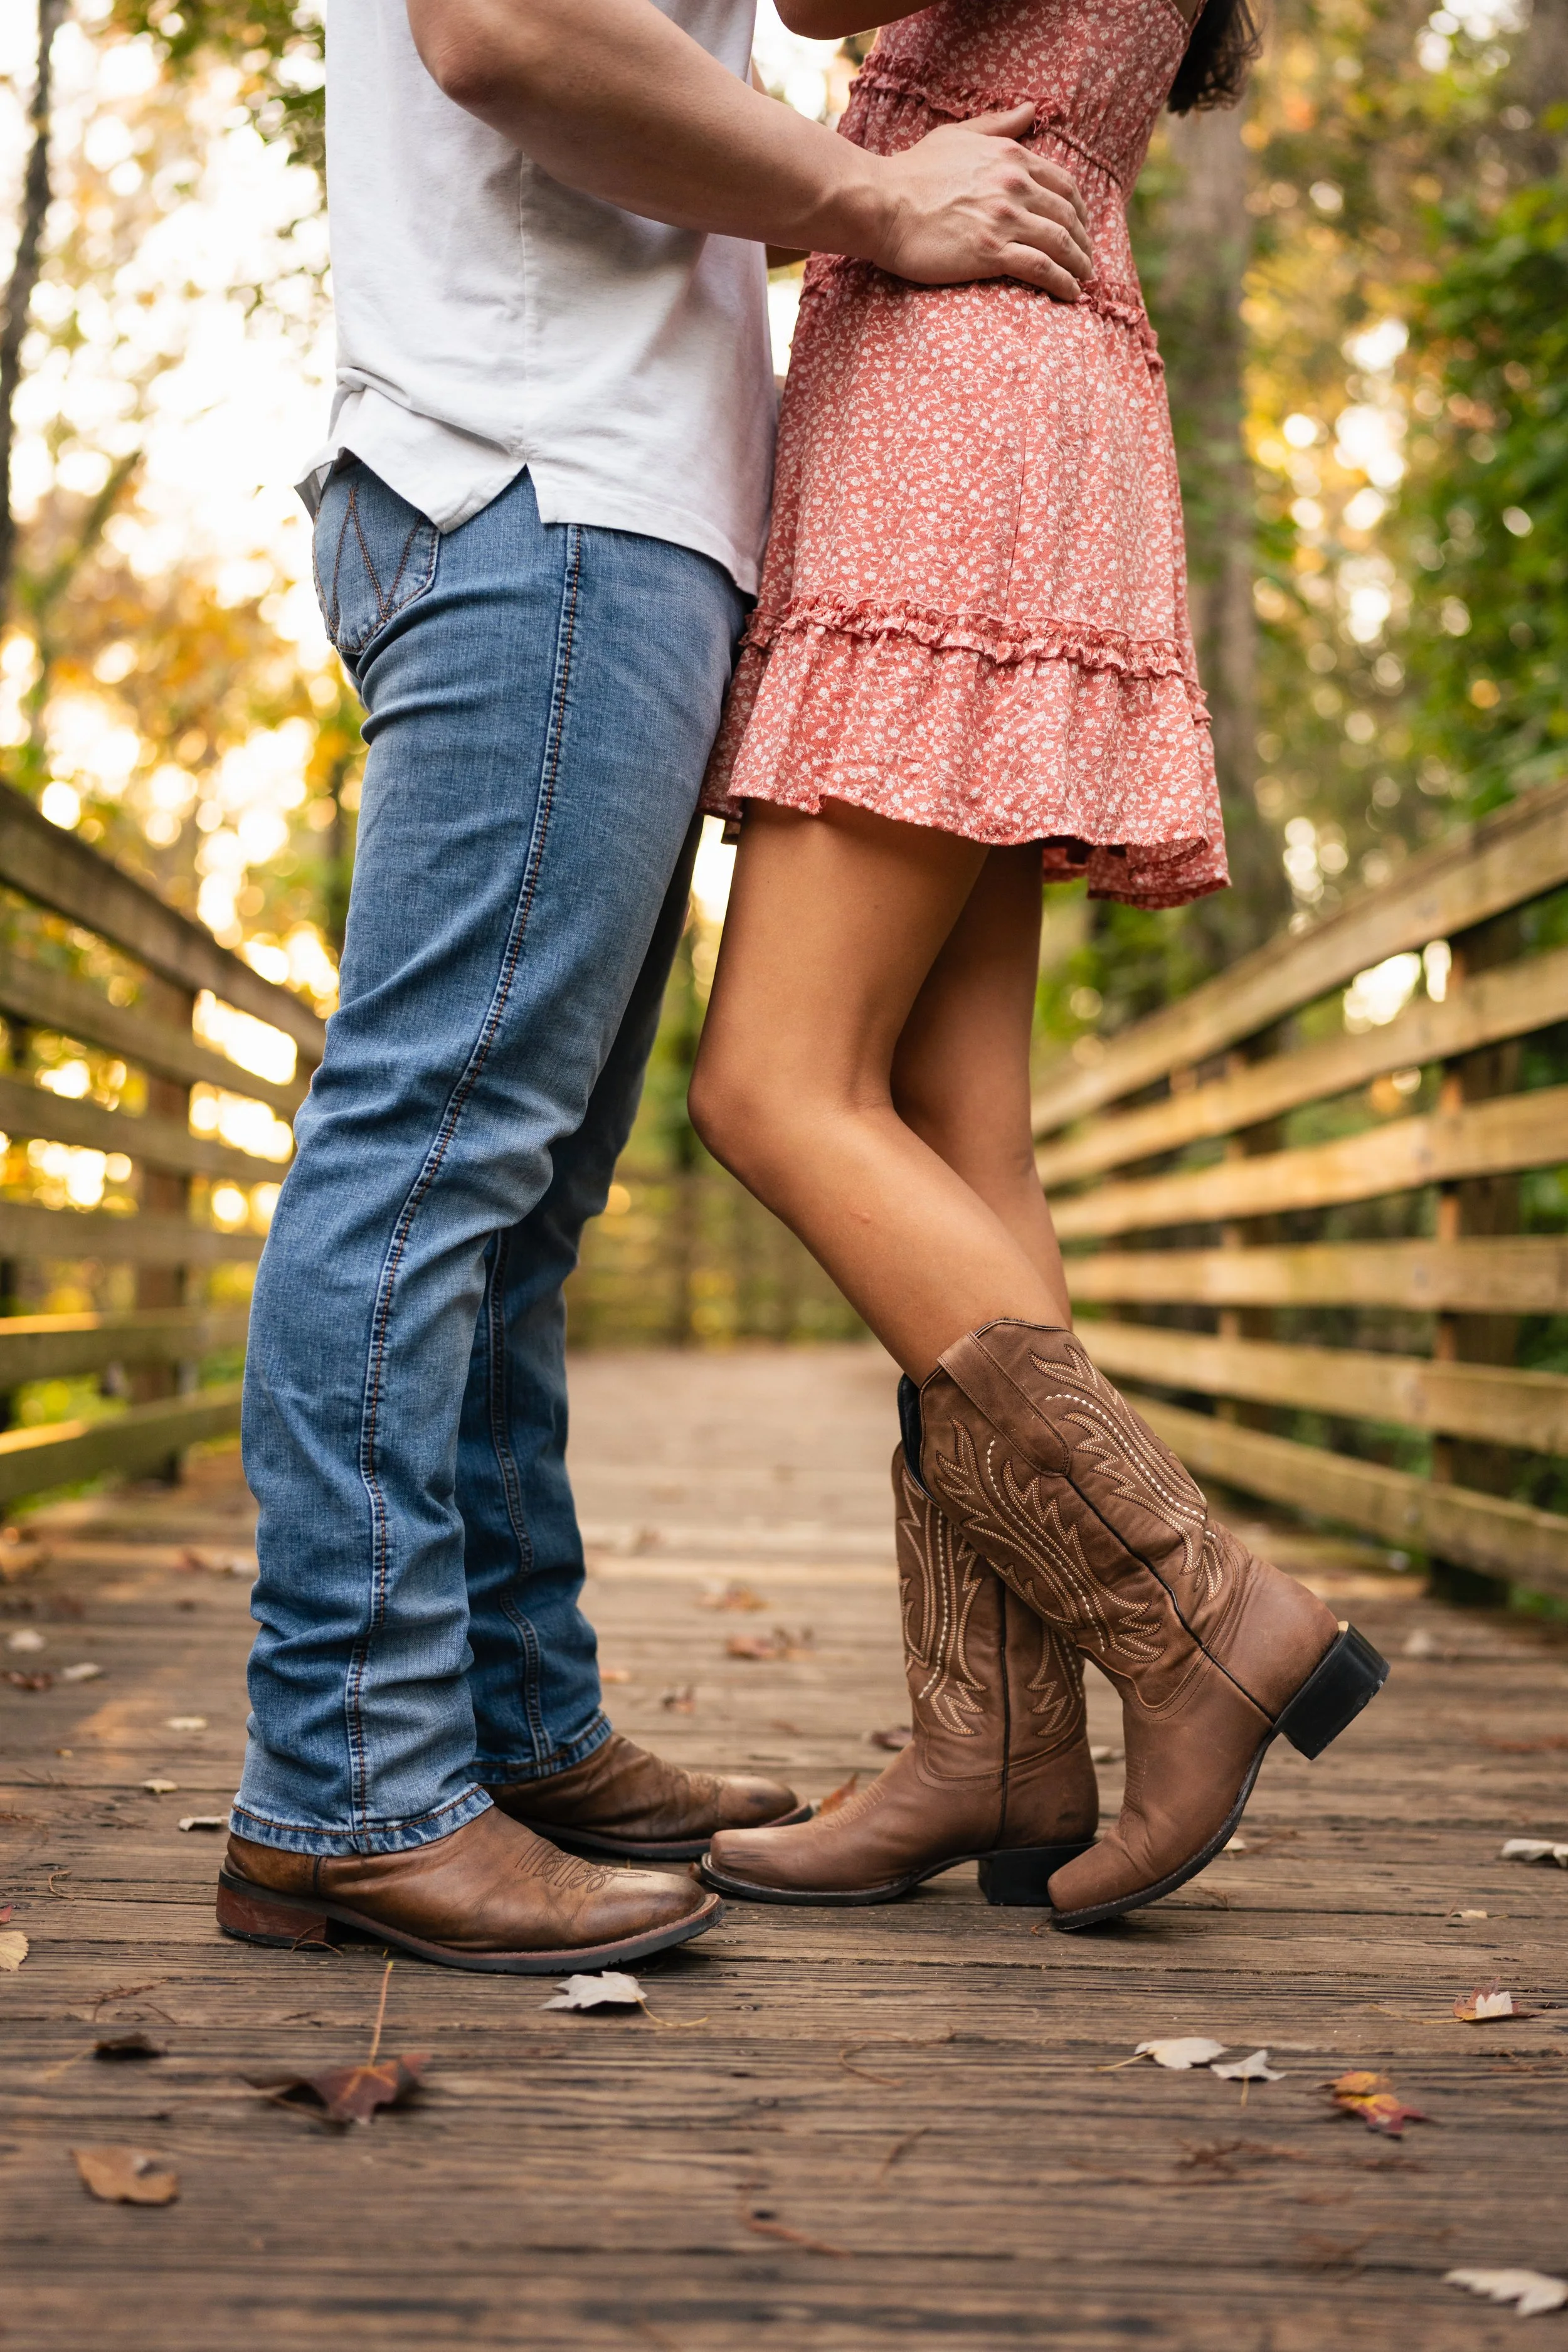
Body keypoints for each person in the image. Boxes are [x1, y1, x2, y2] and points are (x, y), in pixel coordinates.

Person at [218, 0, 1101, 1973]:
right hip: (541, 486)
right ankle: (347, 1784)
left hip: (600, 504)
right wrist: (874, 194)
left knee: (516, 1199)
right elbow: (511, 25)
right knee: (432, 1159)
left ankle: (508, 1727)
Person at [691, 0, 1389, 1927]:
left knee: (772, 1082)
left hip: (956, 404)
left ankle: (1196, 1608)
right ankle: (991, 1738)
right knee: (949, 1119)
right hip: (1011, 373)